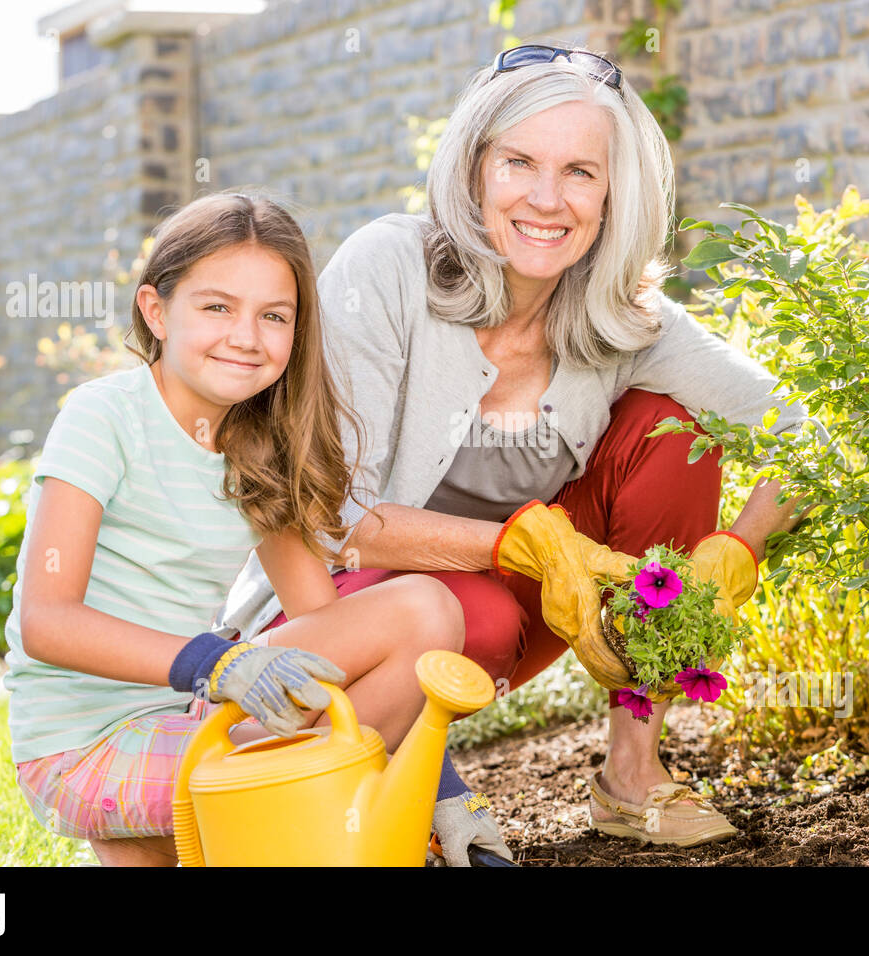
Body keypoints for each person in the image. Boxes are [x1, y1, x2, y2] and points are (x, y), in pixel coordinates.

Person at [216, 44, 814, 862]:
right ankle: (405, 777)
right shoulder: (390, 267)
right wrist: (516, 544)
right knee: (479, 614)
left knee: (672, 431)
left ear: (614, 194)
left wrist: (736, 549)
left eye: (580, 172)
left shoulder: (627, 320)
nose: (546, 198)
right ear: (473, 172)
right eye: (519, 162)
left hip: (529, 602)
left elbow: (802, 435)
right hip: (339, 607)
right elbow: (328, 517)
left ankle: (632, 775)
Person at [4, 192, 471, 866]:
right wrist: (219, 663)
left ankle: (196, 835)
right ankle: (254, 828)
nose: (246, 336)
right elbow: (47, 622)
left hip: (196, 721)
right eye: (216, 307)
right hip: (85, 745)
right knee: (294, 822)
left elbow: (327, 631)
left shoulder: (258, 443)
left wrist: (434, 781)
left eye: (273, 316)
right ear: (156, 311)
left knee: (424, 609)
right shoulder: (103, 415)